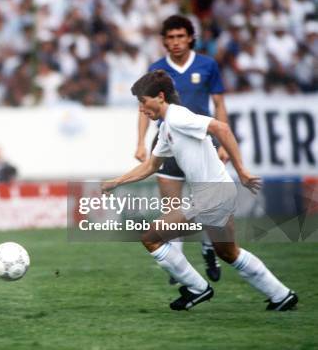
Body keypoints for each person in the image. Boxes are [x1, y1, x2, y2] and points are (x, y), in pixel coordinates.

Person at [102, 70, 298, 311]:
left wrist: (242, 170)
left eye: (143, 102)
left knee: (152, 237)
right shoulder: (166, 128)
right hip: (216, 193)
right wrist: (116, 182)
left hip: (212, 195)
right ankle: (281, 295)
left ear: (161, 97)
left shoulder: (178, 117)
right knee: (228, 252)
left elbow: (222, 128)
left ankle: (197, 289)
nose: (141, 110)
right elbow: (151, 166)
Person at [135, 15, 229, 284]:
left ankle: (210, 248)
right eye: (171, 37)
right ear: (164, 41)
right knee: (171, 209)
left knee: (210, 206)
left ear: (190, 38)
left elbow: (219, 104)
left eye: (180, 36)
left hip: (202, 144)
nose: (176, 42)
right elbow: (144, 108)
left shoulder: (207, 65)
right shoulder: (155, 69)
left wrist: (221, 142)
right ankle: (179, 268)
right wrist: (140, 142)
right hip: (168, 144)